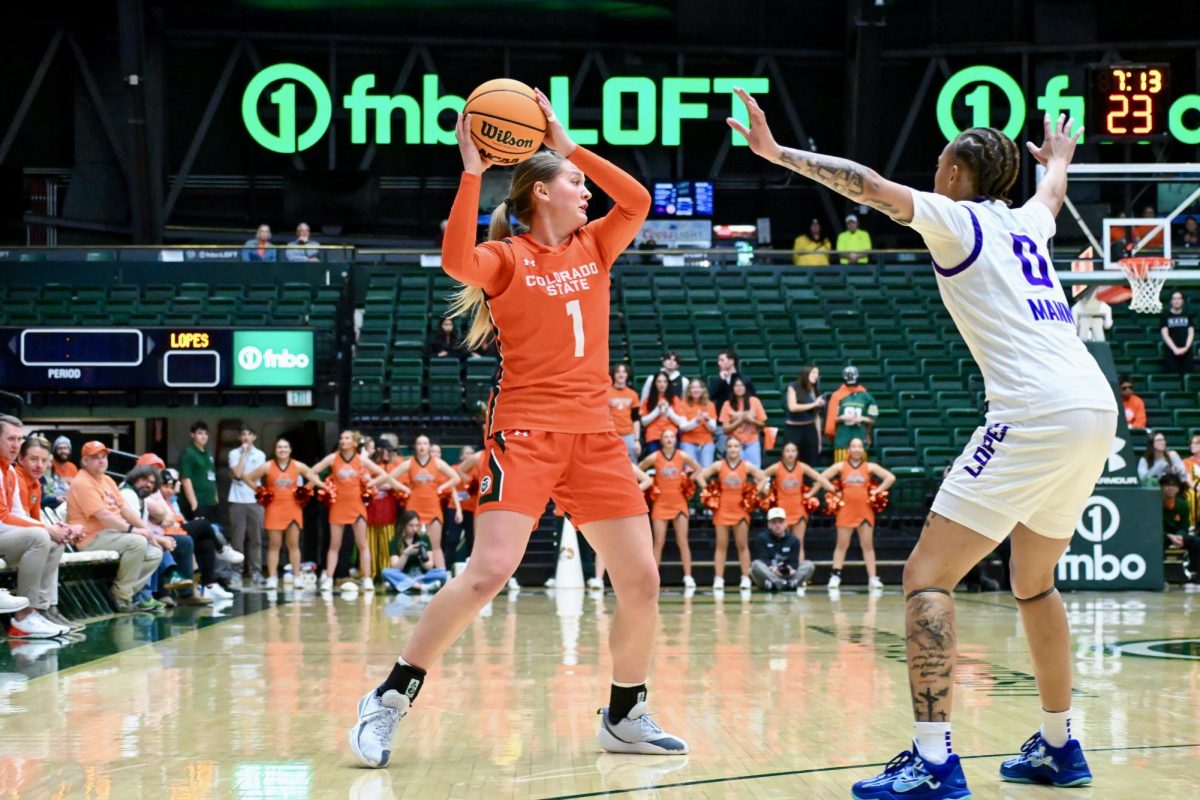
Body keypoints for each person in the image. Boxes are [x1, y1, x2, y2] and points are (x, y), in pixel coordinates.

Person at [732, 90, 1117, 794]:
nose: (934, 170)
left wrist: (776, 154)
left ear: (957, 174)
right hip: (1094, 405)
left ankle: (935, 759)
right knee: (1035, 584)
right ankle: (1062, 747)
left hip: (1033, 409)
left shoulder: (958, 219)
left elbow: (870, 188)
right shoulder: (1027, 224)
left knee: (926, 577)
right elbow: (1053, 195)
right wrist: (1058, 160)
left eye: (940, 161)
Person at [350, 91, 686, 768]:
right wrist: (472, 172)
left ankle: (625, 714)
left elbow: (640, 200)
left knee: (642, 581)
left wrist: (567, 144)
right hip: (527, 433)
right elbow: (454, 262)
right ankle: (389, 697)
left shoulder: (597, 246)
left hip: (596, 437)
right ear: (538, 193)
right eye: (571, 181)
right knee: (488, 573)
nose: (584, 188)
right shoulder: (506, 257)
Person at [66, 441, 165, 613]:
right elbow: (104, 515)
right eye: (95, 457)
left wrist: (148, 532)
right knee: (137, 542)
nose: (101, 461)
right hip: (89, 538)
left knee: (155, 552)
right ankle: (121, 597)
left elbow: (124, 509)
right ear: (84, 461)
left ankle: (122, 592)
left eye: (103, 456)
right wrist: (133, 530)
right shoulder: (82, 482)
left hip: (110, 535)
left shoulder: (107, 480)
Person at [1, 430, 77, 637]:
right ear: (21, 459)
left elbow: (30, 519)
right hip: (9, 535)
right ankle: (25, 614)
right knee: (42, 537)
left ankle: (42, 609)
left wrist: (56, 529)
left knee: (54, 541)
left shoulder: (35, 485)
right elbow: (8, 517)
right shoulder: (15, 476)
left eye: (44, 461)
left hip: (12, 535)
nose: (38, 465)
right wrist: (47, 529)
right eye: (33, 459)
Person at [310, 430, 391, 592]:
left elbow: (383, 475)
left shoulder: (361, 460)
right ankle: (329, 578)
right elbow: (312, 472)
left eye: (346, 438)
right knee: (334, 545)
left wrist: (370, 484)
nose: (342, 441)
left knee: (362, 544)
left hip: (357, 505)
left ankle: (367, 579)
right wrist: (323, 486)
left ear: (354, 443)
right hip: (338, 505)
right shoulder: (333, 458)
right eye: (341, 438)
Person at [243, 438, 323, 590]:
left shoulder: (297, 465)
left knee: (293, 545)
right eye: (279, 447)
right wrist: (261, 491)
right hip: (274, 508)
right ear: (275, 450)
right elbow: (247, 478)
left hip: (293, 508)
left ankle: (297, 577)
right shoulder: (268, 466)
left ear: (290, 450)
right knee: (274, 545)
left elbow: (314, 475)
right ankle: (272, 577)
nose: (282, 450)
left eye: (285, 447)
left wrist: (305, 490)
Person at [376, 434, 463, 571]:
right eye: (419, 444)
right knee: (412, 543)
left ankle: (441, 575)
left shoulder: (437, 462)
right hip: (414, 507)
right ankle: (412, 571)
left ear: (429, 446)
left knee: (435, 545)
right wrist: (404, 488)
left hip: (433, 506)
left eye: (425, 443)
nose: (422, 446)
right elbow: (390, 478)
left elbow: (456, 478)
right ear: (415, 447)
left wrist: (441, 487)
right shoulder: (409, 462)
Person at [819, 438, 896, 591]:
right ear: (848, 449)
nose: (856, 449)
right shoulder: (841, 466)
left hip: (865, 510)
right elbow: (821, 477)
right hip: (846, 510)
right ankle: (835, 576)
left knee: (867, 546)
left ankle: (873, 578)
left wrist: (877, 491)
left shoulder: (870, 466)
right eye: (853, 446)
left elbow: (890, 477)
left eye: (859, 446)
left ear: (863, 450)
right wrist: (834, 490)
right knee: (842, 545)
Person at [696, 437, 765, 592]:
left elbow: (762, 478)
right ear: (726, 449)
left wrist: (753, 494)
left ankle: (745, 577)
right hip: (723, 509)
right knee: (721, 545)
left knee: (742, 545)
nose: (733, 449)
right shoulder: (719, 465)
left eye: (736, 446)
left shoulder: (746, 466)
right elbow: (700, 476)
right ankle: (719, 578)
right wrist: (709, 491)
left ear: (740, 449)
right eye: (730, 446)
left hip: (740, 509)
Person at [638, 428, 702, 589]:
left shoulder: (683, 456)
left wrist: (688, 482)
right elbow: (639, 468)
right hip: (660, 503)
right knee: (658, 542)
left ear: (675, 439)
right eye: (665, 436)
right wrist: (648, 482)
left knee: (683, 540)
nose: (668, 439)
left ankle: (688, 576)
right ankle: (653, 579)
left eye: (671, 437)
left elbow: (698, 469)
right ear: (661, 440)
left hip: (679, 502)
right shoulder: (655, 456)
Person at [758, 441, 834, 562]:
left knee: (798, 543)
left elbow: (820, 478)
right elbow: (759, 476)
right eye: (787, 451)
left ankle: (799, 575)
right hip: (782, 511)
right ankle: (781, 573)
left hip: (798, 510)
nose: (790, 454)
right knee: (782, 544)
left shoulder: (802, 466)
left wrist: (812, 493)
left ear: (797, 453)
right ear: (783, 453)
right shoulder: (777, 467)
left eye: (793, 451)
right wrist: (766, 492)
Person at [228, 425, 267, 585]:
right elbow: (237, 473)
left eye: (249, 434)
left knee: (256, 538)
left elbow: (253, 475)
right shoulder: (233, 453)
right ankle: (236, 571)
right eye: (243, 434)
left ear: (254, 437)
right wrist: (243, 454)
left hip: (255, 499)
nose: (246, 437)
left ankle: (256, 571)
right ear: (239, 438)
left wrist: (242, 475)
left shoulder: (260, 455)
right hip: (237, 500)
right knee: (237, 538)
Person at [381, 511, 451, 594]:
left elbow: (429, 566)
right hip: (404, 576)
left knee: (442, 573)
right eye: (411, 525)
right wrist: (406, 553)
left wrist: (420, 555)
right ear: (404, 525)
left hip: (421, 576)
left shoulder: (424, 539)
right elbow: (396, 568)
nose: (414, 529)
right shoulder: (395, 542)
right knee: (385, 572)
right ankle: (419, 586)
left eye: (417, 525)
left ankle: (403, 586)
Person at [749, 507, 815, 591]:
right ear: (769, 524)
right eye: (774, 522)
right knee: (755, 565)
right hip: (770, 573)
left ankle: (789, 583)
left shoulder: (793, 540)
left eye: (780, 522)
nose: (777, 525)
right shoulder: (762, 538)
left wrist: (791, 570)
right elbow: (764, 559)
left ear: (785, 524)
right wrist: (774, 570)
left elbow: (794, 562)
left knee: (809, 565)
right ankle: (780, 583)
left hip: (789, 574)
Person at [826, 366, 878, 463]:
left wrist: (862, 418)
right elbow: (831, 420)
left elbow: (873, 419)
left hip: (860, 438)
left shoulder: (867, 397)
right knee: (841, 470)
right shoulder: (837, 396)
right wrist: (842, 418)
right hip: (842, 439)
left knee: (861, 471)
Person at [718, 377, 767, 467]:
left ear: (746, 387)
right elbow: (725, 429)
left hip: (752, 441)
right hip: (734, 442)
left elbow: (763, 425)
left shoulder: (755, 401)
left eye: (741, 385)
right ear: (732, 388)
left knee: (755, 469)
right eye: (736, 386)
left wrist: (752, 421)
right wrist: (741, 420)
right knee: (735, 470)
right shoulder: (727, 404)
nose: (739, 388)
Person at [1161, 474, 1200, 585]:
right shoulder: (1156, 504)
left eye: (1174, 485)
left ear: (1178, 488)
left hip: (1178, 536)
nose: (1170, 488)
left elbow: (1185, 525)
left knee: (1196, 542)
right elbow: (1153, 526)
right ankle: (1159, 574)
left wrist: (1180, 535)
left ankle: (1195, 573)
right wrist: (1168, 535)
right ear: (1161, 487)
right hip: (1162, 536)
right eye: (1167, 485)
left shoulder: (1183, 505)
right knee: (1159, 542)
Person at [783, 365, 825, 466]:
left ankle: (809, 481)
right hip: (794, 428)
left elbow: (816, 416)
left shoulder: (815, 390)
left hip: (810, 428)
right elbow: (792, 407)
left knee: (811, 460)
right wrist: (814, 404)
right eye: (813, 373)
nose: (816, 376)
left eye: (817, 373)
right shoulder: (793, 386)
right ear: (806, 374)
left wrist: (819, 439)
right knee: (791, 459)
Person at [179, 421, 219, 523]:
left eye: (205, 433)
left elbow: (211, 475)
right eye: (200, 433)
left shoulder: (207, 452)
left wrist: (215, 496)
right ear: (192, 435)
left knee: (213, 532)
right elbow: (185, 479)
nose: (203, 436)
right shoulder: (188, 453)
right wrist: (194, 504)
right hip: (198, 502)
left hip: (211, 502)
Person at [674, 378, 718, 468]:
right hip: (688, 442)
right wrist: (696, 421)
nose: (696, 390)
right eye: (693, 388)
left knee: (706, 470)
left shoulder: (710, 405)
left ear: (703, 390)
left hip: (706, 442)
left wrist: (707, 420)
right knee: (691, 470)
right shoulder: (683, 404)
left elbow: (713, 428)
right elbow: (682, 427)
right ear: (689, 390)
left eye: (698, 387)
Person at [640, 372, 680, 455]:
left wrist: (668, 411)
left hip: (671, 435)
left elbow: (680, 422)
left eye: (665, 381)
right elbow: (643, 422)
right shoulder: (647, 401)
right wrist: (657, 411)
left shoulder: (675, 399)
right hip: (653, 435)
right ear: (655, 383)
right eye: (659, 381)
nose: (662, 384)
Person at [608, 363, 642, 461]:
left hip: (629, 435)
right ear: (613, 375)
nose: (621, 374)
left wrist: (636, 440)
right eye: (618, 372)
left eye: (624, 372)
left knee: (632, 465)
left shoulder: (633, 395)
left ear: (627, 375)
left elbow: (636, 419)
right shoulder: (606, 393)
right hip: (612, 434)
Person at [1160, 290, 1194, 378]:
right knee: (1172, 377)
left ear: (1182, 301)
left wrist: (1186, 348)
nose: (1177, 301)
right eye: (1174, 299)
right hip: (1171, 352)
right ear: (1171, 301)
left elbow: (1191, 333)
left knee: (1188, 377)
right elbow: (1165, 335)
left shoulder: (1188, 315)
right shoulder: (1165, 315)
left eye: (1179, 298)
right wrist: (1175, 349)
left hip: (1187, 352)